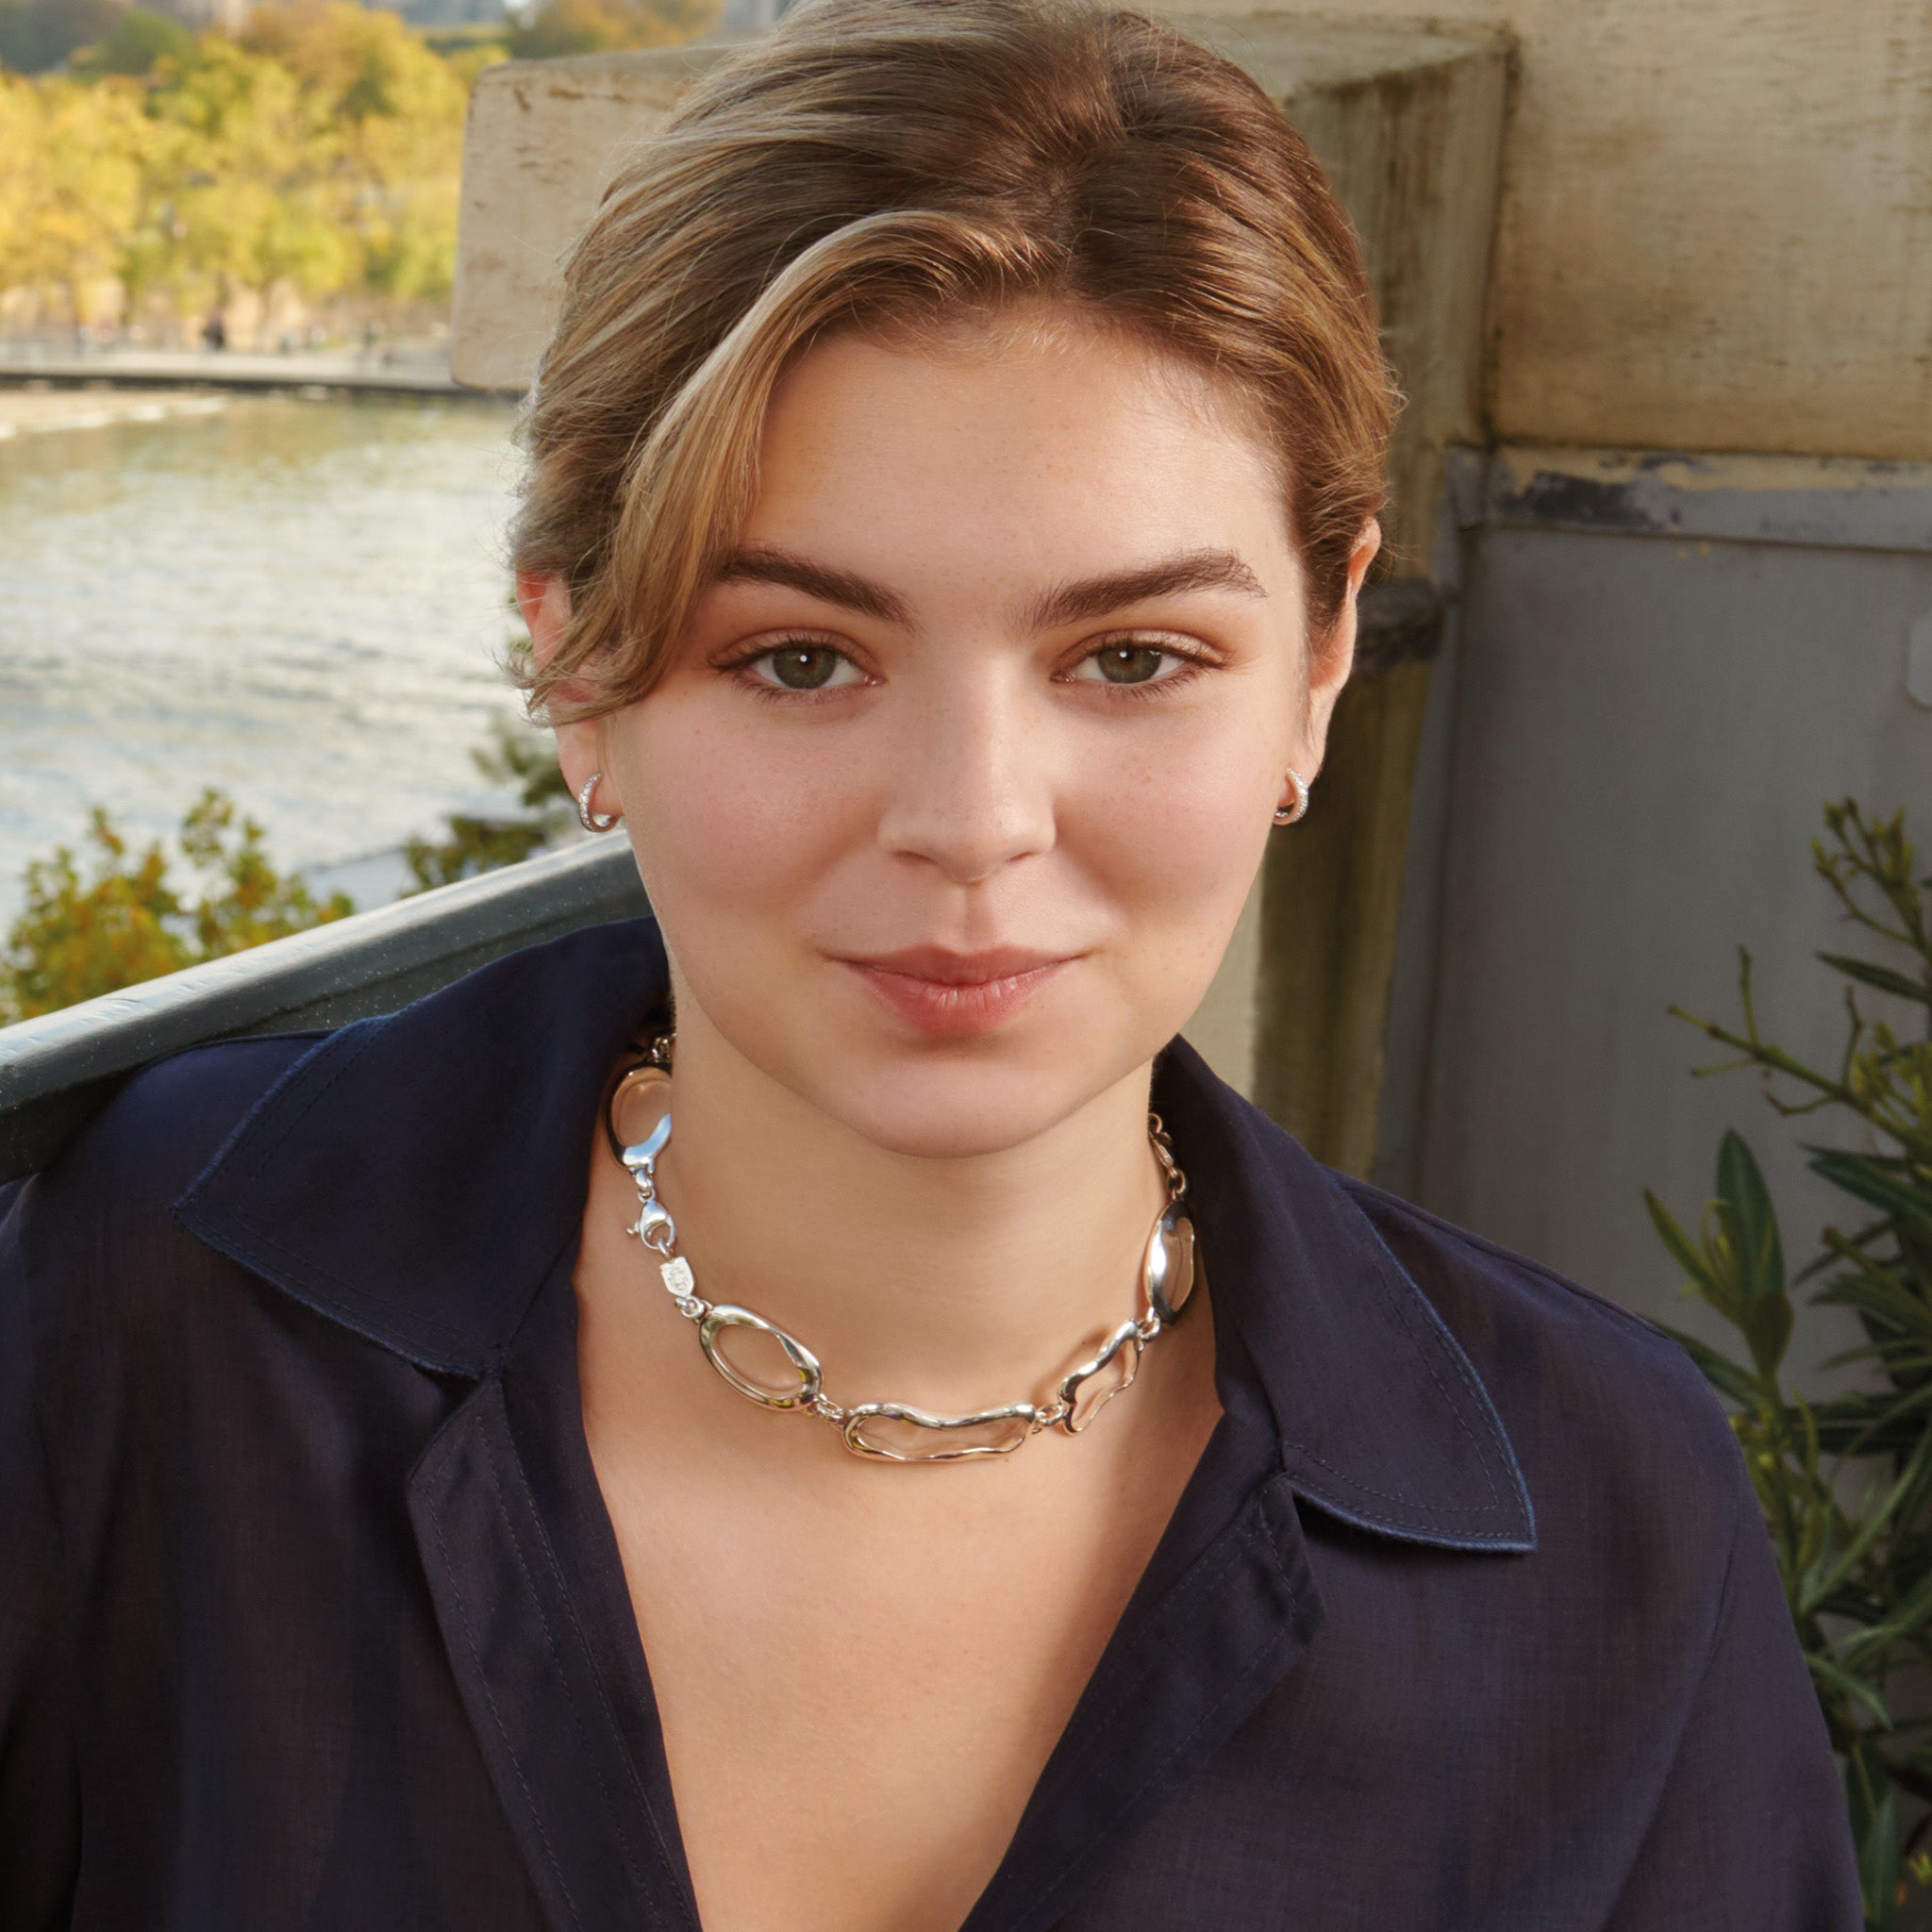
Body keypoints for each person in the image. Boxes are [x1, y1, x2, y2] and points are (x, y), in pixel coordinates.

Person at [0, 1, 1858, 1926]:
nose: (973, 823)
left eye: (1129, 657)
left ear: (1315, 669)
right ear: (577, 669)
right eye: (801, 658)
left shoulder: (1612, 1535)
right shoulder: (154, 1313)